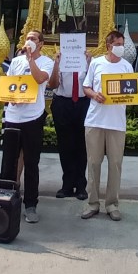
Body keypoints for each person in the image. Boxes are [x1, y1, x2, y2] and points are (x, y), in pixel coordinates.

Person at [0, 29, 55, 223]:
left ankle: (30, 205)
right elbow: (9, 85)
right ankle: (7, 198)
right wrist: (10, 98)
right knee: (9, 161)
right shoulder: (15, 62)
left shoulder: (46, 62)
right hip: (13, 116)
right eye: (27, 38)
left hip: (33, 117)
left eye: (33, 38)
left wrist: (31, 59)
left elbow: (40, 79)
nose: (29, 40)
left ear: (41, 44)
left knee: (31, 163)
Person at [81, 30, 135, 221]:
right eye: (118, 44)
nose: (121, 47)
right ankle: (92, 203)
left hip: (117, 123)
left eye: (122, 44)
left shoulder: (127, 66)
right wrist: (94, 94)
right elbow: (86, 87)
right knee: (93, 163)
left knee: (115, 164)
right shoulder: (96, 63)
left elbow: (132, 93)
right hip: (95, 120)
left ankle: (112, 204)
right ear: (109, 45)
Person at [49, 47, 90, 200]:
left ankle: (81, 185)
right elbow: (53, 84)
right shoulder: (59, 59)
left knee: (82, 145)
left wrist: (89, 62)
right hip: (63, 103)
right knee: (65, 145)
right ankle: (67, 184)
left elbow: (93, 83)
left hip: (83, 102)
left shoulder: (88, 60)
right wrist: (56, 64)